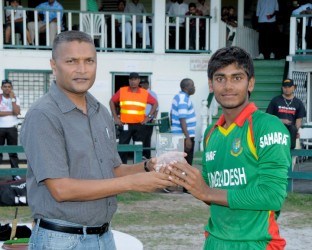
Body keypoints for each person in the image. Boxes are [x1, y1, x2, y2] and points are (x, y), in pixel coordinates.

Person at [20, 30, 173, 249]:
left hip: (103, 236)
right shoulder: (44, 115)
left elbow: (113, 170)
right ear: (54, 65)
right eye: (71, 61)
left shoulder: (100, 112)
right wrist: (132, 183)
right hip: (61, 240)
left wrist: (148, 166)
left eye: (89, 61)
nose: (82, 70)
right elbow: (61, 189)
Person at [167, 46, 291, 249]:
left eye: (237, 78)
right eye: (220, 78)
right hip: (214, 240)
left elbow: (272, 196)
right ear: (210, 84)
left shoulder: (267, 126)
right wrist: (182, 177)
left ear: (250, 83)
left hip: (256, 242)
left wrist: (206, 192)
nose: (228, 86)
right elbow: (208, 192)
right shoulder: (211, 134)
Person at [109, 72, 158, 164]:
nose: (133, 81)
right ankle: (122, 168)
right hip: (125, 125)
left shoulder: (144, 93)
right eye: (131, 79)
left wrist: (149, 117)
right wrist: (115, 117)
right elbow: (111, 101)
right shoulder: (122, 91)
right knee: (123, 148)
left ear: (138, 81)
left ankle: (136, 168)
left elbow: (155, 103)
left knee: (138, 148)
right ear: (129, 80)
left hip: (140, 125)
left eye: (135, 79)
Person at [170, 78, 196, 192]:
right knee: (186, 162)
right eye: (192, 85)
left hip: (180, 135)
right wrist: (187, 138)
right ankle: (185, 187)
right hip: (184, 136)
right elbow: (182, 118)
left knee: (180, 161)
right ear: (186, 87)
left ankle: (180, 184)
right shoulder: (182, 99)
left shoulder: (179, 97)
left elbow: (172, 115)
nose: (194, 87)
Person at [267, 78, 306, 149]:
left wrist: (296, 131)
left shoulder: (298, 103)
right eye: (285, 87)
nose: (287, 89)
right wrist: (281, 120)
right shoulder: (275, 100)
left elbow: (299, 120)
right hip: (277, 131)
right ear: (282, 88)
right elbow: (268, 117)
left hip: (291, 132)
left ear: (293, 87)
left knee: (292, 151)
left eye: (289, 87)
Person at [0, 79, 21, 181]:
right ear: (1, 88)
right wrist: (10, 112)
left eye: (9, 87)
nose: (7, 88)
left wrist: (13, 100)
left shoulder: (16, 98)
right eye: (5, 86)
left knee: (13, 152)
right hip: (0, 128)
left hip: (12, 128)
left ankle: (15, 174)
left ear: (11, 88)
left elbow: (17, 112)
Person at [140, 79, 158, 159]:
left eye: (143, 83)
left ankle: (146, 155)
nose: (142, 85)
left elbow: (156, 108)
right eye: (141, 84)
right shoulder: (139, 92)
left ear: (147, 84)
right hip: (139, 119)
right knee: (139, 137)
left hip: (148, 119)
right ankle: (140, 155)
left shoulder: (152, 94)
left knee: (147, 137)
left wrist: (153, 118)